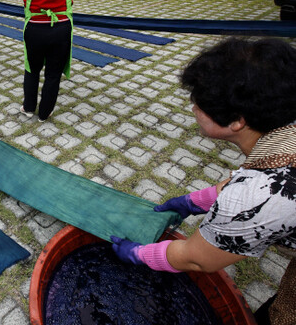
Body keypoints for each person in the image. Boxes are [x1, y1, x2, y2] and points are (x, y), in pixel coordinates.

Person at [110, 37, 296, 325]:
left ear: (237, 121)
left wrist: (138, 253)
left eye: (200, 102)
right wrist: (193, 201)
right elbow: (261, 178)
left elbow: (197, 258)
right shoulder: (284, 128)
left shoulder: (254, 196)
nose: (194, 107)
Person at [4, 0, 80, 122]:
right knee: (53, 73)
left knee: (32, 69)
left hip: (35, 28)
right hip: (61, 27)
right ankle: (45, 113)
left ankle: (29, 108)